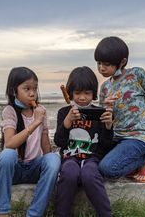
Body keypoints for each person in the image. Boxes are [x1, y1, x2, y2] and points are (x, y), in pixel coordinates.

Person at [94, 36, 145, 182]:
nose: (101, 68)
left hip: (139, 136)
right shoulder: (104, 88)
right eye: (99, 63)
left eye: (107, 64)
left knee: (107, 169)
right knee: (92, 161)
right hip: (116, 137)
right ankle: (133, 163)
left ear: (122, 62)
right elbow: (107, 121)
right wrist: (106, 108)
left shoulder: (136, 75)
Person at [0, 67, 61, 217]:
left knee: (53, 159)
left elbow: (46, 147)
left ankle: (34, 213)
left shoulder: (41, 110)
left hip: (33, 168)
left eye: (35, 88)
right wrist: (35, 123)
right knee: (7, 155)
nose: (32, 93)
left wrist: (51, 167)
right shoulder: (10, 111)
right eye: (27, 89)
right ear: (14, 91)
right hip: (15, 170)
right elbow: (10, 143)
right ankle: (3, 212)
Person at [54, 66, 115, 217]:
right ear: (70, 93)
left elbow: (105, 147)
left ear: (93, 93)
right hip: (70, 157)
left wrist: (108, 126)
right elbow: (59, 142)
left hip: (91, 159)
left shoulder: (99, 114)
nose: (82, 98)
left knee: (89, 173)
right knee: (69, 172)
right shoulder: (64, 113)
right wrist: (67, 122)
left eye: (87, 93)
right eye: (77, 93)